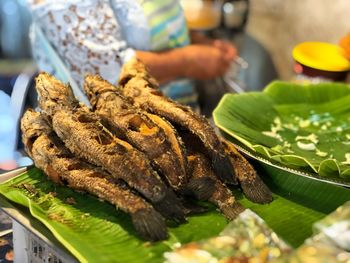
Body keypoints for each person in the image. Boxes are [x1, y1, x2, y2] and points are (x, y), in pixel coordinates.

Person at [27, 0, 236, 109]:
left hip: (175, 116)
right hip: (117, 141)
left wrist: (196, 40)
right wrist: (187, 61)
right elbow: (103, 73)